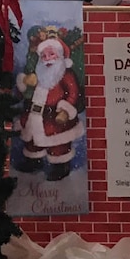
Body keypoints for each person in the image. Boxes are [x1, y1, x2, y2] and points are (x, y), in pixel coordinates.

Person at [15, 36, 85, 181]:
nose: (47, 59)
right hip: (35, 114)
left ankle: (60, 166)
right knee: (32, 140)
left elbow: (73, 93)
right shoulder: (37, 73)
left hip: (55, 116)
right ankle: (33, 161)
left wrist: (66, 109)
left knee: (58, 144)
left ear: (59, 56)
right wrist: (26, 82)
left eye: (51, 54)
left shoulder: (66, 74)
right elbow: (23, 92)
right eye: (44, 56)